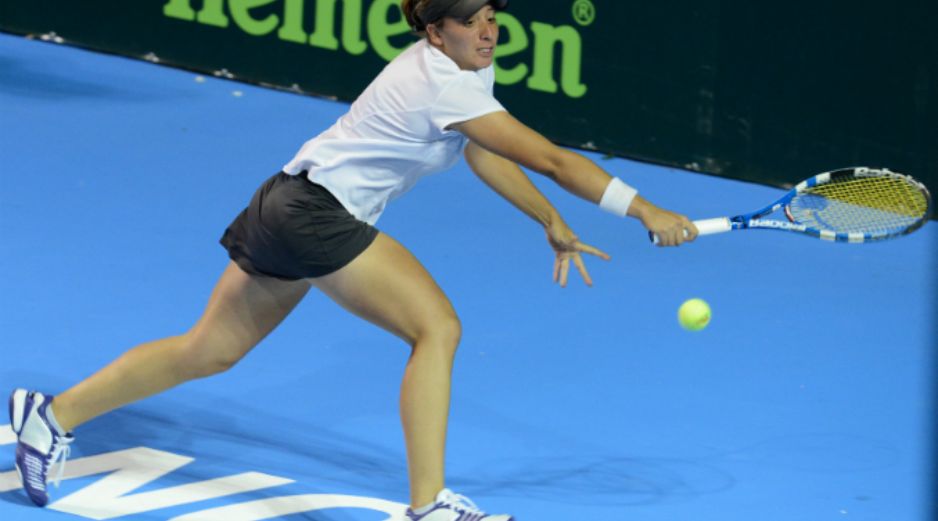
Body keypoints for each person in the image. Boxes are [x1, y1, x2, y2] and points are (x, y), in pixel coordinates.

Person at [7, 0, 697, 518]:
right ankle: (428, 505)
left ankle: (52, 414)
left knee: (209, 350)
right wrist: (645, 209)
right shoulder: (444, 83)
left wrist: (549, 218)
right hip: (318, 216)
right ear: (435, 31)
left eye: (492, 17)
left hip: (282, 201)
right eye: (473, 21)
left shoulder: (455, 73)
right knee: (437, 327)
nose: (488, 30)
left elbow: (487, 150)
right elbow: (547, 155)